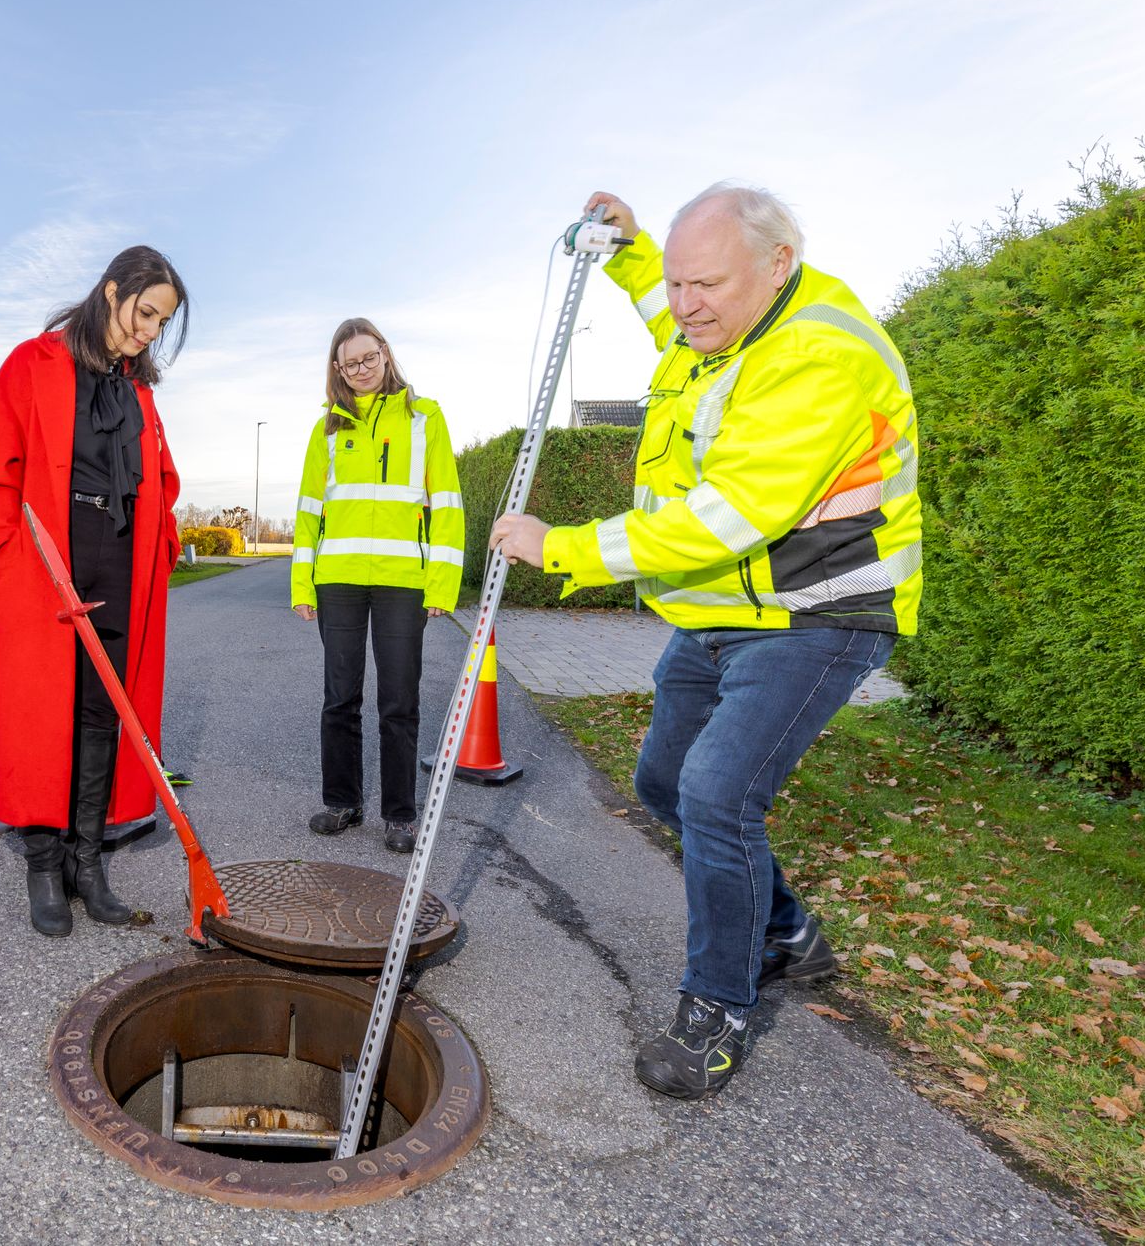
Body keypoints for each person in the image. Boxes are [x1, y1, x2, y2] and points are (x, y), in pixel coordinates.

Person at [490, 184, 922, 1100]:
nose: (686, 305)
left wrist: (560, 547)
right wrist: (638, 249)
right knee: (658, 780)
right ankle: (789, 934)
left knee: (716, 795)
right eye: (679, 283)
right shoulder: (723, 327)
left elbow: (725, 517)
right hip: (724, 613)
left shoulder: (820, 359)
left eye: (705, 285)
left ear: (778, 265)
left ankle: (717, 1007)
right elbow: (667, 312)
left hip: (818, 614)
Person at [0, 246, 186, 938]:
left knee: (100, 713)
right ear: (111, 290)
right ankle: (43, 867)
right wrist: (8, 554)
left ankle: (90, 866)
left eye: (162, 321)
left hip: (119, 560)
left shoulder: (139, 391)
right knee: (39, 714)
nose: (150, 330)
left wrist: (163, 543)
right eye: (145, 312)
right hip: (44, 560)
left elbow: (163, 478)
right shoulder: (31, 365)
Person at [291, 319, 465, 854]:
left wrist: (441, 585)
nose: (360, 370)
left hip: (402, 583)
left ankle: (399, 814)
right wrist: (303, 581)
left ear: (385, 355)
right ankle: (342, 802)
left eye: (368, 359)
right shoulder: (327, 429)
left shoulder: (424, 417)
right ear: (337, 370)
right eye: (349, 364)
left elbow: (448, 505)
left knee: (399, 700)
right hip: (338, 580)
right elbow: (307, 511)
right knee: (339, 698)